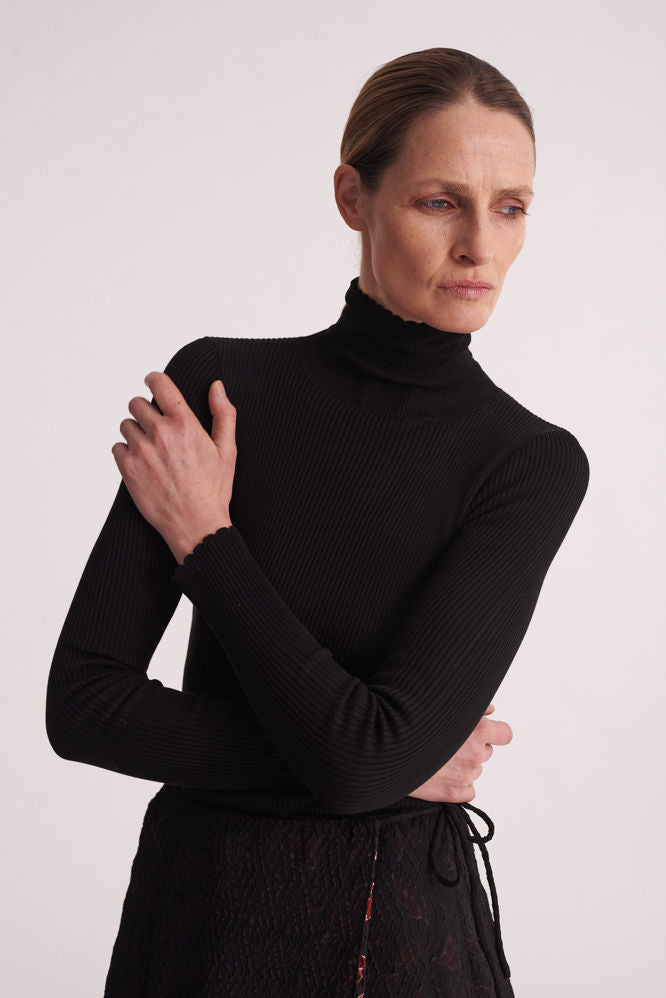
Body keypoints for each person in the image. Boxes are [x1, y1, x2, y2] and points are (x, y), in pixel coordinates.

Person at [45, 47, 589, 997]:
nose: (480, 246)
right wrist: (388, 762)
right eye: (440, 201)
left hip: (396, 940)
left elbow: (362, 762)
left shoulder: (529, 464)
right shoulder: (220, 390)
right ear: (352, 197)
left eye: (510, 207)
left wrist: (207, 541)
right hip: (197, 923)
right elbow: (84, 705)